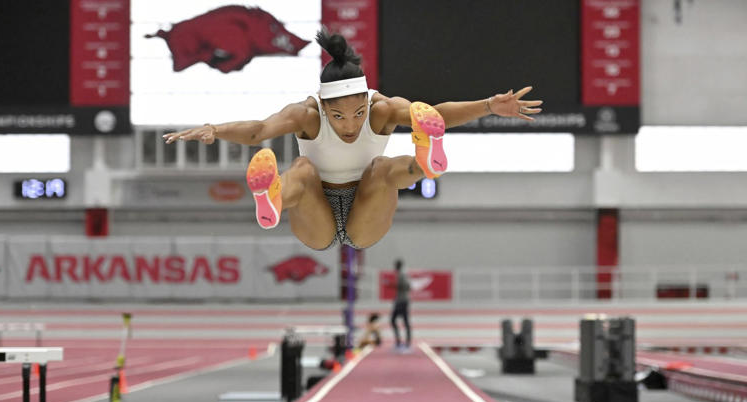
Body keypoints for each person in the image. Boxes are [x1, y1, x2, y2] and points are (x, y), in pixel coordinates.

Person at [163, 29, 541, 250]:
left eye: (358, 113)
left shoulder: (383, 109)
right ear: (324, 108)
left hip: (366, 213)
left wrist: (489, 105)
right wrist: (216, 128)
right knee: (302, 167)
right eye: (339, 116)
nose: (350, 125)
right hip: (318, 216)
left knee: (380, 167)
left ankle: (424, 161)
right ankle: (273, 198)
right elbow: (259, 131)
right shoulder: (305, 115)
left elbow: (436, 114)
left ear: (367, 99)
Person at [391, 259, 411, 349]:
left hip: (402, 301)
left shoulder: (402, 275)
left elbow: (407, 286)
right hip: (401, 300)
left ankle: (404, 341)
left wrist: (392, 285)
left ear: (398, 266)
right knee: (401, 321)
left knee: (396, 320)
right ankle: (403, 341)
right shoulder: (401, 274)